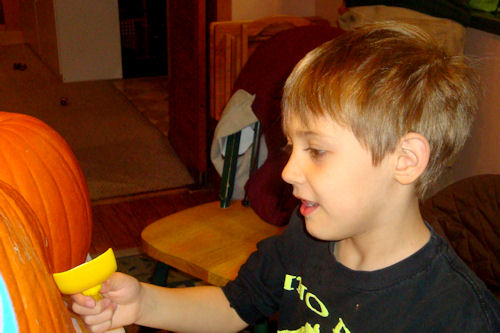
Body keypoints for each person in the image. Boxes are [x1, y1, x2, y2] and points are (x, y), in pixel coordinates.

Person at [71, 22, 500, 332]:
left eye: (315, 150)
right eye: (290, 147)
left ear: (404, 159)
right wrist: (143, 303)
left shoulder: (456, 314)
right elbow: (233, 304)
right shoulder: (305, 237)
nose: (289, 171)